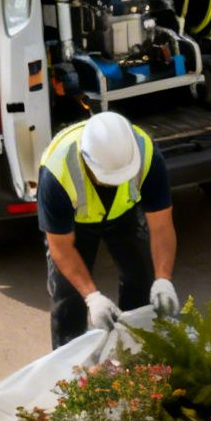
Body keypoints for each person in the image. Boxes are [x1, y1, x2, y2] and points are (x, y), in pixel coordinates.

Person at [38, 111, 180, 347]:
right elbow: (60, 247)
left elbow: (162, 225)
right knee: (69, 298)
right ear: (87, 161)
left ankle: (134, 354)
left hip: (123, 213)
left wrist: (164, 278)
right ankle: (69, 371)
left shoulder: (145, 152)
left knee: (142, 280)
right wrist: (92, 297)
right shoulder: (57, 171)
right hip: (77, 224)